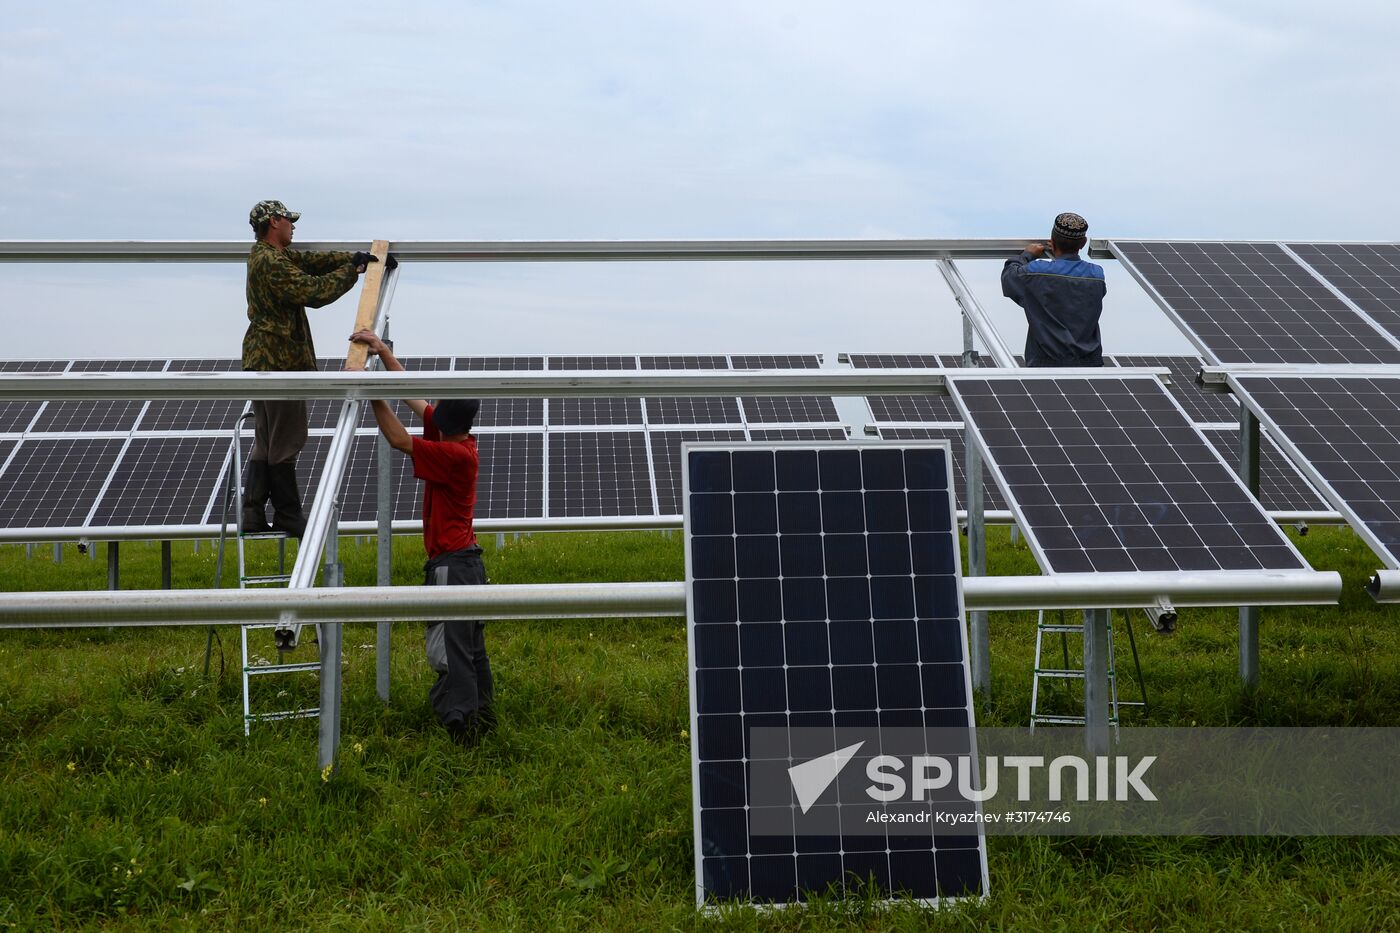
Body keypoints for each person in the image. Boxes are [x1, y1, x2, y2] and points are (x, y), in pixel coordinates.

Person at [348, 328, 494, 744]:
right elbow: (415, 399)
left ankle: (460, 729)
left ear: (446, 427)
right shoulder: (458, 438)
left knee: (450, 653)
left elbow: (397, 438)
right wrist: (384, 353)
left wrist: (370, 392)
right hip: (467, 564)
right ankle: (482, 720)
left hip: (452, 566)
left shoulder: (454, 456)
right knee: (470, 649)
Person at [241, 199, 393, 536]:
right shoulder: (273, 263)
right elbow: (313, 290)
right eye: (288, 220)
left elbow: (311, 262)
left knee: (267, 439)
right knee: (288, 437)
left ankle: (252, 513)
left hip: (263, 360)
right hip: (280, 362)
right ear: (273, 223)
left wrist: (359, 260)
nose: (293, 226)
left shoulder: (268, 257)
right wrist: (351, 272)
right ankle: (287, 513)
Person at [1001, 212, 1107, 367]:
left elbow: (1009, 277)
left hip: (1046, 367)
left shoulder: (1036, 272)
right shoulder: (1097, 275)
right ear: (1083, 243)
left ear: (1052, 241)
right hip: (1090, 366)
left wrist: (1027, 255)